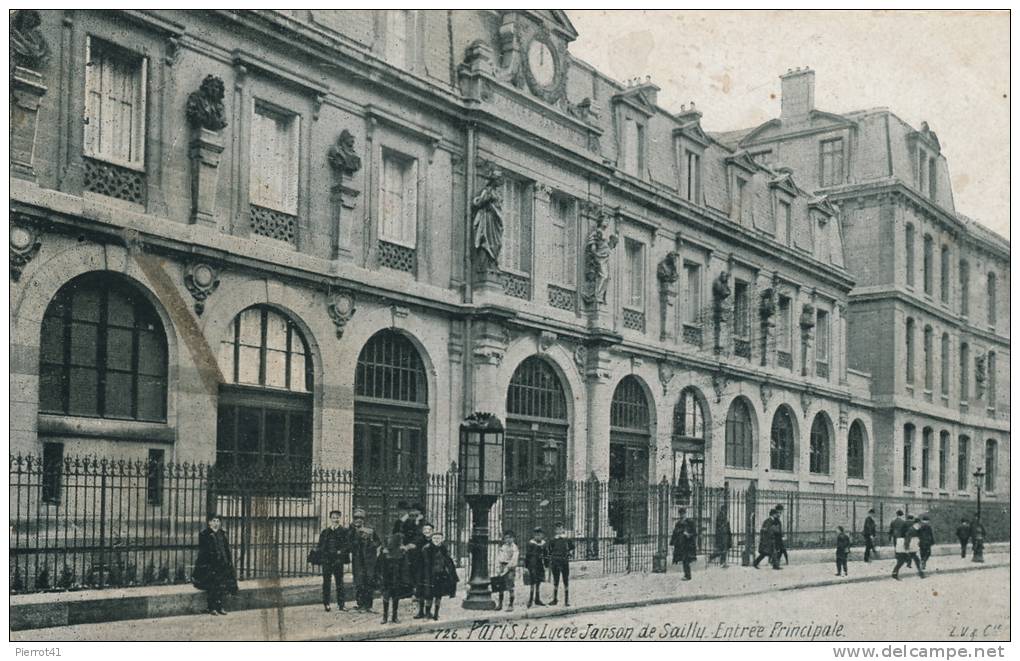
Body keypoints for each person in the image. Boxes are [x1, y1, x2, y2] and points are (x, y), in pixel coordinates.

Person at [193, 514, 238, 616]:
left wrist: (227, 562)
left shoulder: (222, 534)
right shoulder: (204, 534)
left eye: (218, 521)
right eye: (214, 521)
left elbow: (226, 550)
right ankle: (211, 607)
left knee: (221, 586)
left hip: (222, 564)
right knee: (212, 586)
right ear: (209, 523)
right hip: (210, 565)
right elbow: (203, 552)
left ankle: (219, 607)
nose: (216, 523)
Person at [317, 510, 350, 611]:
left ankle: (341, 604)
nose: (335, 519)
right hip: (327, 560)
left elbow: (347, 545)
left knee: (339, 582)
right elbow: (320, 545)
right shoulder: (325, 532)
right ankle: (326, 604)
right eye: (333, 517)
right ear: (330, 519)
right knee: (326, 582)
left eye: (337, 517)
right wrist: (324, 553)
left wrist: (341, 552)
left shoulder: (344, 531)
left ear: (340, 519)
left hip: (338, 560)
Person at [349, 508, 381, 612]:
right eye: (356, 518)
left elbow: (378, 542)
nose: (358, 520)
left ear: (364, 519)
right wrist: (355, 532)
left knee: (369, 582)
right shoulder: (351, 529)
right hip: (358, 560)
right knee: (359, 582)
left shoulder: (370, 529)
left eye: (361, 518)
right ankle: (360, 604)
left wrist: (371, 544)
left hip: (369, 561)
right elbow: (348, 543)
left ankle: (369, 605)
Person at [422, 531, 457, 620]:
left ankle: (436, 614)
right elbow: (424, 562)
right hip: (430, 575)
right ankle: (427, 613)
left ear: (442, 539)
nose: (436, 540)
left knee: (439, 595)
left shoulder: (444, 549)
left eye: (438, 538)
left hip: (441, 575)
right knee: (429, 595)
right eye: (434, 538)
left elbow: (448, 561)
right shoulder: (427, 548)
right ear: (431, 539)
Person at [376, 533, 410, 624]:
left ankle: (395, 617)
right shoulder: (384, 552)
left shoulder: (402, 552)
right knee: (386, 597)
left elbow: (405, 566)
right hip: (386, 578)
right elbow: (378, 565)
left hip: (397, 577)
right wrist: (380, 576)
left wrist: (404, 578)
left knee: (396, 597)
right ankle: (385, 617)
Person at [548, 524, 575, 606]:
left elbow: (572, 548)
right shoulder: (552, 540)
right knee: (556, 581)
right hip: (555, 561)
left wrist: (570, 553)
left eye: (560, 528)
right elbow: (549, 550)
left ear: (563, 529)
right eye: (557, 529)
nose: (559, 530)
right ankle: (555, 599)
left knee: (565, 580)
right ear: (555, 531)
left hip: (564, 561)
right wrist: (551, 558)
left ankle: (566, 601)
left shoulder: (567, 539)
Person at [411, 522, 434, 619]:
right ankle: (420, 611)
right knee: (420, 590)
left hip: (432, 570)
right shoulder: (419, 541)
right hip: (421, 569)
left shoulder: (435, 541)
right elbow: (415, 556)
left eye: (429, 530)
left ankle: (428, 612)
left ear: (432, 531)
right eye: (425, 530)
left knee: (430, 590)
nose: (427, 531)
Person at [494, 530, 519, 612]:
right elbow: (499, 557)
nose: (508, 540)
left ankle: (511, 605)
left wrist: (507, 568)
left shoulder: (514, 548)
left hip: (510, 568)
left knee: (510, 586)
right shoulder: (503, 547)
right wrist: (498, 568)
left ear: (513, 539)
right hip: (502, 566)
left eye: (510, 538)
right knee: (500, 586)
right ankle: (500, 604)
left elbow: (514, 560)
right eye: (506, 538)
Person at [525, 527, 549, 607]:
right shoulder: (531, 543)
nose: (538, 536)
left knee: (539, 581)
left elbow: (546, 555)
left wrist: (546, 564)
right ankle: (530, 599)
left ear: (542, 535)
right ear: (534, 535)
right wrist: (526, 566)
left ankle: (537, 599)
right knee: (532, 582)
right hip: (532, 565)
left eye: (539, 534)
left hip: (540, 565)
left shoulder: (543, 543)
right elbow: (527, 555)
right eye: (536, 535)